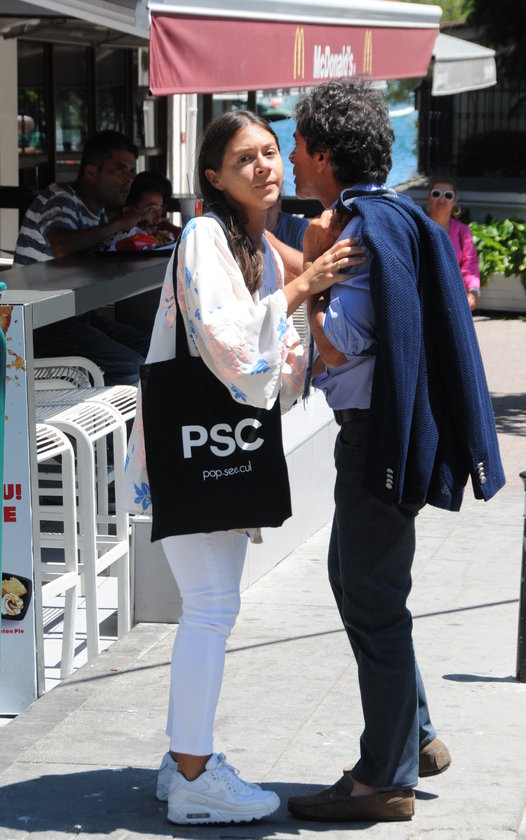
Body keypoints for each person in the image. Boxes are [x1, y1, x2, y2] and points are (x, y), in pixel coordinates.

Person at [122, 109, 365, 826]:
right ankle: (194, 776)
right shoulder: (205, 235)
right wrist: (302, 286)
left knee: (211, 605)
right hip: (197, 446)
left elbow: (276, 361)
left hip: (212, 445)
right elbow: (228, 343)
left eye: (270, 151)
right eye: (244, 159)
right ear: (214, 178)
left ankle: (183, 761)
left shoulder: (253, 242)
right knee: (211, 606)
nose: (264, 166)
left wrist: (302, 288)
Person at [285, 78, 505, 823]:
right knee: (355, 581)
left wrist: (313, 277)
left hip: (376, 438)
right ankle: (419, 736)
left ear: (323, 153)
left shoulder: (353, 230)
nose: (289, 158)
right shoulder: (396, 214)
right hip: (393, 433)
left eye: (296, 145)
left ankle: (384, 778)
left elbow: (342, 345)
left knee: (373, 600)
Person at [14, 130, 151, 384]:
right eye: (119, 169)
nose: (129, 179)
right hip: (38, 324)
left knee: (154, 348)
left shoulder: (97, 212)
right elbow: (61, 245)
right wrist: (118, 224)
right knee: (131, 366)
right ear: (91, 172)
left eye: (132, 171)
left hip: (76, 317)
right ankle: (118, 411)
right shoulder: (59, 198)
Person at [427, 177, 481, 311]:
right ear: (429, 197)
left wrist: (473, 291)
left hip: (453, 303)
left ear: (455, 200)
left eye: (448, 195)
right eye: (436, 193)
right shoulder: (415, 227)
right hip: (422, 301)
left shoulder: (463, 232)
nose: (441, 199)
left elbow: (470, 265)